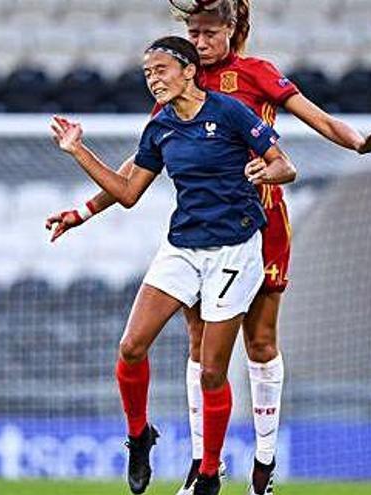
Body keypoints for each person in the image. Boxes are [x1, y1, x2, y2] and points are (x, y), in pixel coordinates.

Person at [48, 2, 371, 494]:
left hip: (257, 222)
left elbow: (308, 125)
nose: (202, 41)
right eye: (194, 32)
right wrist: (82, 210)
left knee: (260, 343)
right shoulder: (173, 94)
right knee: (192, 348)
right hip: (192, 236)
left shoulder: (251, 80)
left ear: (232, 30)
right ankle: (200, 464)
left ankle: (263, 462)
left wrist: (355, 142)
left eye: (210, 32)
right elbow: (139, 167)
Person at [47, 36, 296, 495]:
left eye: (161, 69)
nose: (153, 79)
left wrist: (267, 171)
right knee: (131, 347)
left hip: (235, 249)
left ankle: (207, 476)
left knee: (212, 372)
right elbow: (126, 192)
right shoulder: (160, 127)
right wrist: (77, 151)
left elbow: (285, 166)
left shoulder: (230, 112)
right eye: (147, 74)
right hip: (183, 246)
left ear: (187, 70)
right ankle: (140, 436)